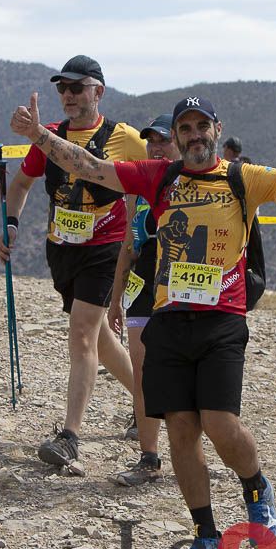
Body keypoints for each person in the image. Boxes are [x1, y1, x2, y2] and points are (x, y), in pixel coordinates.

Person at [9, 92, 276, 549]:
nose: (193, 136)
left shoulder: (240, 179)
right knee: (182, 432)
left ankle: (256, 488)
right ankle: (205, 535)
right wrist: (39, 136)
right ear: (177, 136)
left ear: (215, 128)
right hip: (169, 321)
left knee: (220, 424)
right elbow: (89, 168)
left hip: (222, 321)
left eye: (200, 127)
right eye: (184, 129)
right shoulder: (159, 176)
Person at [0, 55, 141, 473]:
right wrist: (11, 223)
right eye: (62, 88)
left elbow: (158, 172)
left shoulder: (123, 137)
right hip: (61, 248)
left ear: (99, 91)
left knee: (80, 334)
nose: (68, 95)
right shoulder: (50, 136)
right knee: (97, 339)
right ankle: (147, 401)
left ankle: (70, 437)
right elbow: (22, 182)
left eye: (77, 88)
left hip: (106, 249)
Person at [106, 113, 179, 487]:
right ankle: (149, 458)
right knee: (143, 377)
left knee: (186, 377)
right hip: (141, 291)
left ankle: (195, 454)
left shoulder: (192, 185)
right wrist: (116, 299)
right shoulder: (137, 191)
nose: (156, 147)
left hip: (182, 291)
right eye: (151, 142)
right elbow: (128, 246)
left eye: (164, 140)